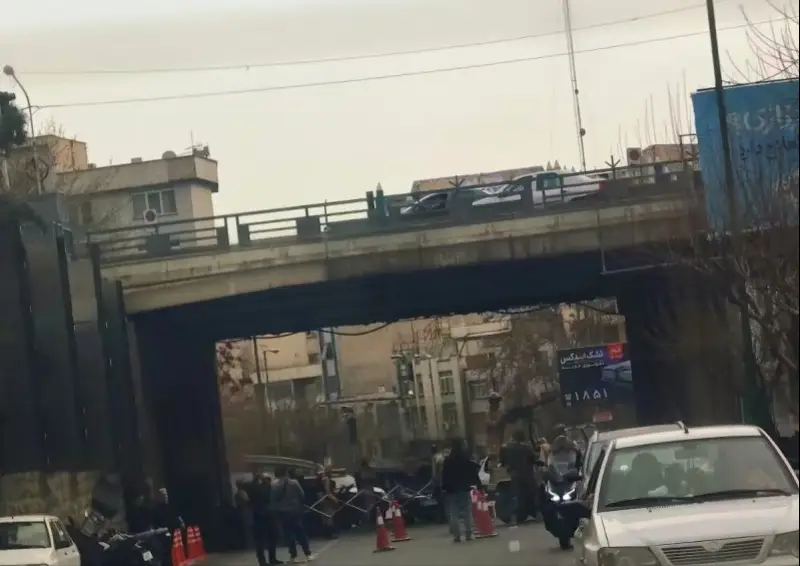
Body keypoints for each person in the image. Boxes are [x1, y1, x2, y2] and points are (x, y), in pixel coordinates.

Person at [272, 466, 316, 564]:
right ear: (286, 473)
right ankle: (308, 553)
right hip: (294, 511)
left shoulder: (274, 485)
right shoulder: (294, 483)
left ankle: (293, 556)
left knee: (288, 534)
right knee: (300, 532)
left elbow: (272, 499)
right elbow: (302, 495)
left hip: (282, 512)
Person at [440, 437, 480, 542]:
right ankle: (469, 533)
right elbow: (473, 471)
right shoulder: (466, 459)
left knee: (454, 513)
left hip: (452, 490)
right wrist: (475, 483)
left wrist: (444, 487)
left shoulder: (448, 460)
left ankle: (457, 535)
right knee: (467, 512)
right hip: (465, 488)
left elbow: (444, 475)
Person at [500, 430, 538, 525]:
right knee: (532, 494)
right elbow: (534, 459)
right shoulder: (527, 447)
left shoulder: (506, 448)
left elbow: (503, 462)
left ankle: (514, 518)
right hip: (527, 474)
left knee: (515, 496)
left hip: (513, 474)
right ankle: (537, 514)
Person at [248, 473, 282, 566]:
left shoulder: (255, 488)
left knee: (266, 538)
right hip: (265, 515)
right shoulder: (263, 488)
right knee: (267, 538)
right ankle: (268, 559)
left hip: (261, 515)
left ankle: (266, 559)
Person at [235, 479, 253, 550]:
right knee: (247, 527)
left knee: (245, 527)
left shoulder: (237, 493)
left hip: (241, 511)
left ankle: (245, 543)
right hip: (245, 511)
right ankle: (248, 543)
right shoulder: (242, 492)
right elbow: (246, 501)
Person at [431, 444, 446, 523]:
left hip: (439, 483)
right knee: (441, 501)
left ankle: (441, 518)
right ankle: (442, 517)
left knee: (440, 501)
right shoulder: (440, 456)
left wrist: (434, 480)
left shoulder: (436, 457)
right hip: (441, 482)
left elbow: (435, 472)